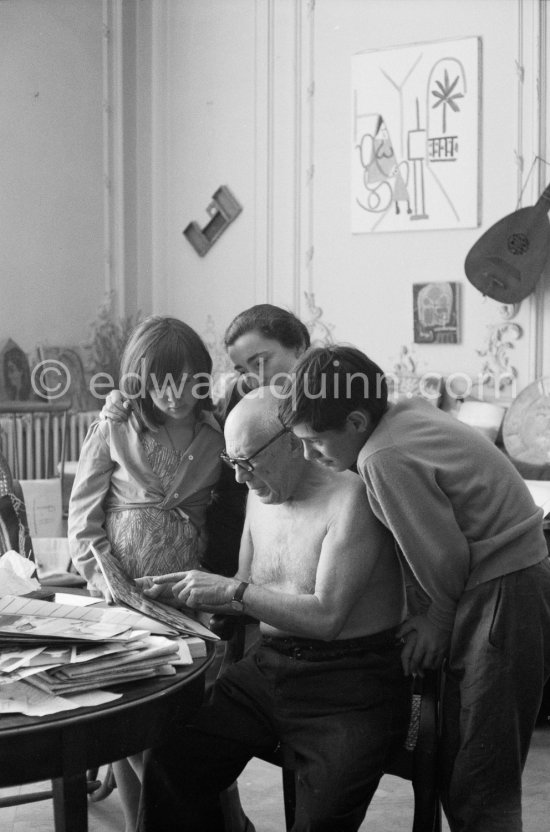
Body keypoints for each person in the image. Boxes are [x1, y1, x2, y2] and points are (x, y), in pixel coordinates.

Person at [279, 344, 550, 832]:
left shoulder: (383, 456)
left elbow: (445, 557)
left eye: (316, 442)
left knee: (480, 769)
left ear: (358, 421)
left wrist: (438, 620)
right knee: (464, 756)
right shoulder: (401, 411)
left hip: (504, 590)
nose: (308, 455)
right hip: (506, 579)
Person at [135, 387, 410, 832]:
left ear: (291, 441)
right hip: (269, 668)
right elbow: (248, 586)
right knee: (172, 761)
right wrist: (185, 593)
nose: (240, 478)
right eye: (232, 463)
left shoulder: (353, 495)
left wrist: (231, 591)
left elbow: (325, 617)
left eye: (247, 462)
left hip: (351, 682)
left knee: (320, 821)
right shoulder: (260, 492)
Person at [68, 315, 224, 832]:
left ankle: (211, 817)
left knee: (183, 721)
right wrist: (107, 579)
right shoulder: (115, 424)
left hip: (187, 596)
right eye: (161, 381)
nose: (175, 394)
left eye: (187, 380)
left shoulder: (215, 429)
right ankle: (150, 821)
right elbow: (83, 517)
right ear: (139, 378)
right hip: (122, 598)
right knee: (131, 722)